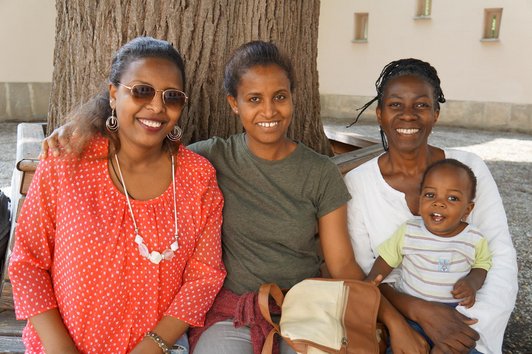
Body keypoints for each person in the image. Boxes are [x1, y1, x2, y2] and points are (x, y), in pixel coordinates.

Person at [41, 41, 428, 354]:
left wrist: (394, 323)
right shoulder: (208, 159)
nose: (269, 111)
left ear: (294, 97)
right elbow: (144, 139)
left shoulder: (318, 173)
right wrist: (75, 131)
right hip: (230, 315)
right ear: (233, 104)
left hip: (305, 310)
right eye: (254, 99)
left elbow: (342, 263)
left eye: (279, 96)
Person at [9, 36, 226, 354]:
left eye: (172, 97)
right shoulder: (69, 160)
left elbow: (204, 277)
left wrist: (151, 346)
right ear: (113, 94)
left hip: (157, 348)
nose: (156, 106)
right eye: (141, 90)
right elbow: (27, 263)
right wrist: (60, 348)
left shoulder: (198, 177)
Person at [345, 58, 518, 353]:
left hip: (467, 322)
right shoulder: (358, 184)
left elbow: (499, 254)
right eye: (395, 105)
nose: (408, 115)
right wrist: (419, 313)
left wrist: (466, 325)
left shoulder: (469, 168)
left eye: (422, 105)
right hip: (399, 322)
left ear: (436, 114)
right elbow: (369, 273)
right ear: (379, 114)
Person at [366, 159, 492, 350]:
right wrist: (372, 280)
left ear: (467, 209)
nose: (439, 203)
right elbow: (387, 257)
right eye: (430, 195)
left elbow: (482, 265)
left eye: (452, 198)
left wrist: (472, 284)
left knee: (463, 346)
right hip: (410, 314)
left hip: (453, 314)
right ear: (420, 202)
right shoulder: (409, 230)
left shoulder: (473, 237)